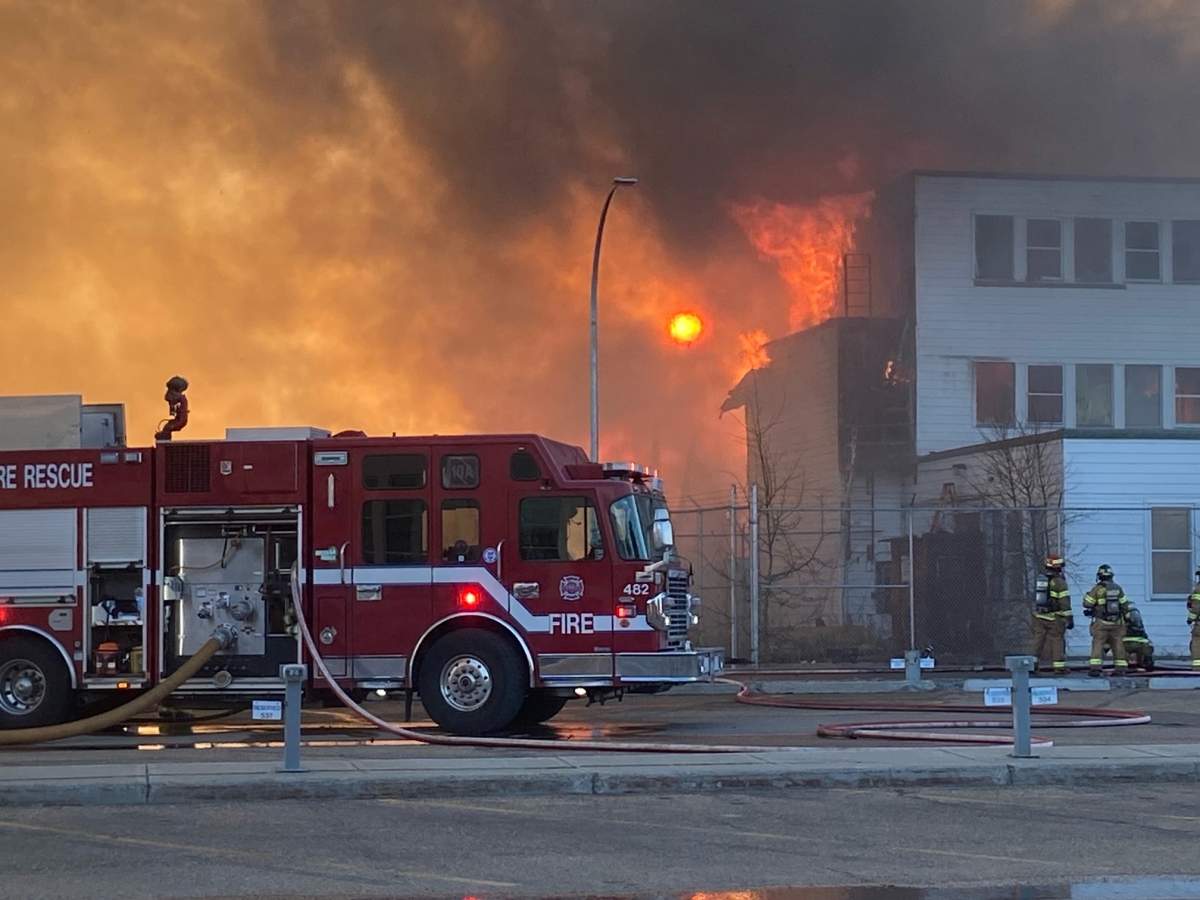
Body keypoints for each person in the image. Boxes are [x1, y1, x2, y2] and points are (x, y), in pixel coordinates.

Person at [1083, 564, 1132, 677]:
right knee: (1118, 644)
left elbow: (1087, 603)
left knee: (1098, 644)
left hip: (1101, 623)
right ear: (1111, 576)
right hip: (1117, 623)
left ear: (1099, 576)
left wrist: (1087, 596)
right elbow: (1125, 605)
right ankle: (1121, 668)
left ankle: (1095, 669)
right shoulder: (1118, 588)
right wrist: (1127, 618)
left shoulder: (1097, 589)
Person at [1031, 555, 1072, 673]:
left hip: (1039, 616)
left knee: (1038, 640)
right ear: (1058, 568)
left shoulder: (1041, 580)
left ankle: (1032, 664)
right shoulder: (1059, 583)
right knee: (1057, 640)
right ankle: (1059, 667)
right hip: (1054, 617)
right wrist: (1069, 617)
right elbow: (1064, 602)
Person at [1122, 606, 1154, 671]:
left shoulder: (1121, 622)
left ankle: (1122, 664)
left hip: (1126, 645)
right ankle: (1146, 662)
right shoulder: (1139, 626)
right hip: (1139, 645)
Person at [1188, 569, 1200, 671]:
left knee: (1197, 642)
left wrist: (1190, 619)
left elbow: (1196, 608)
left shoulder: (1198, 589)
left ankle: (1197, 668)